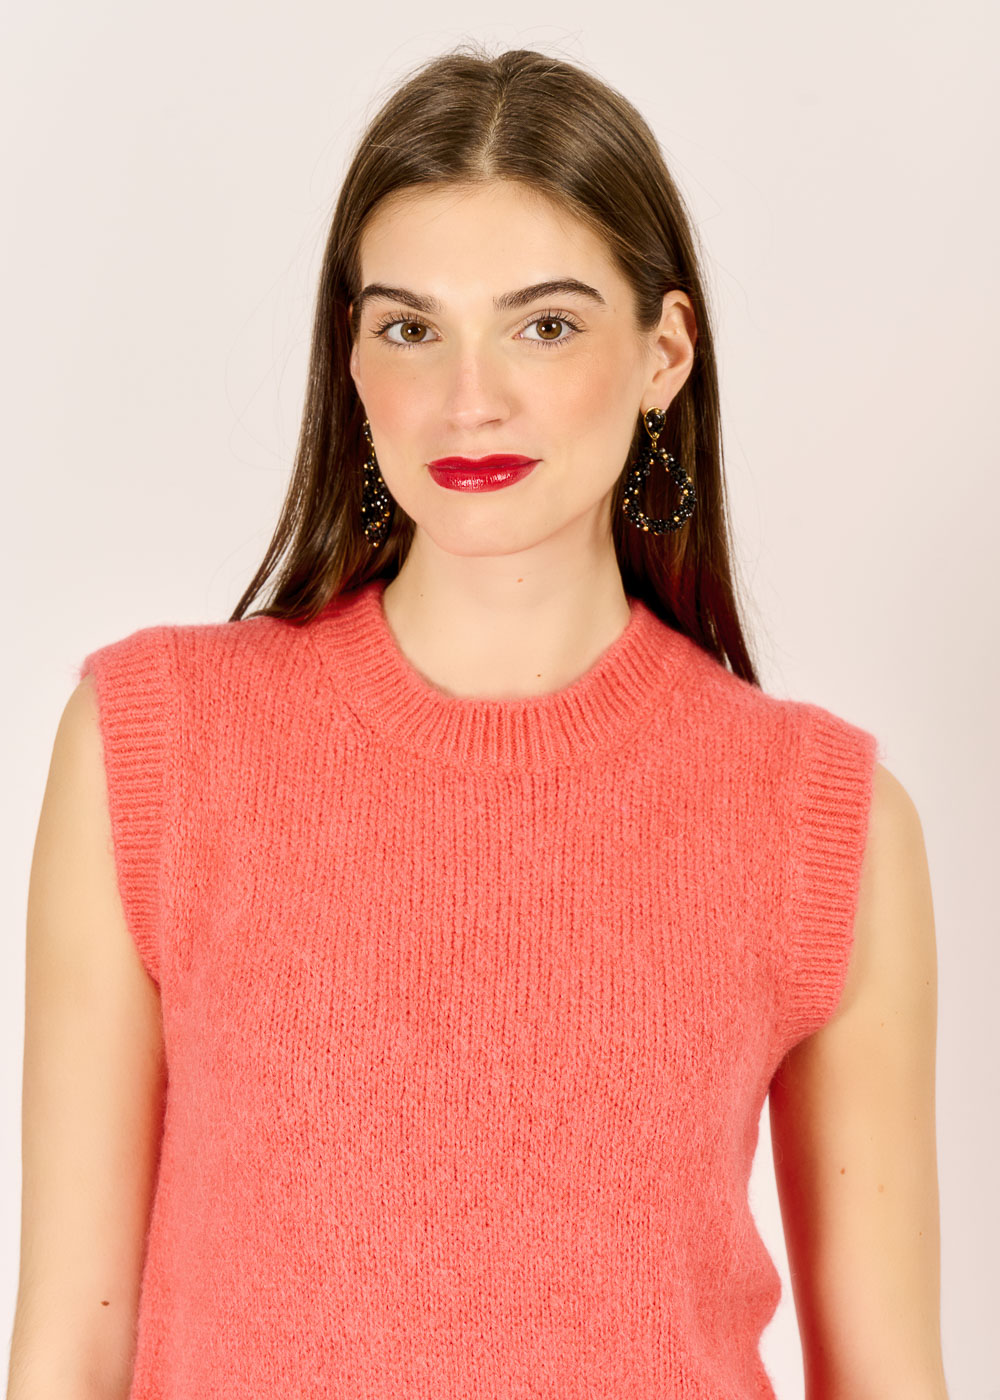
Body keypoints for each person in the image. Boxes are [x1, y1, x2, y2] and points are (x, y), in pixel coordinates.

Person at [10, 44, 949, 1400]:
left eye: (545, 325)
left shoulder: (825, 818)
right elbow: (67, 1351)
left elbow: (887, 1378)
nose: (471, 397)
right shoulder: (151, 746)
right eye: (411, 329)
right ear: (352, 358)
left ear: (664, 353)